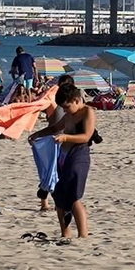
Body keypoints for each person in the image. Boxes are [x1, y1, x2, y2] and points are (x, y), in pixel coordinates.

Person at [30, 84, 95, 238]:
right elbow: (54, 128)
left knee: (74, 197)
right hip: (63, 157)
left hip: (78, 155)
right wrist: (37, 134)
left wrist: (66, 137)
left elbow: (86, 136)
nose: (64, 111)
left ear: (76, 100)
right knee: (59, 195)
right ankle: (65, 233)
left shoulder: (88, 112)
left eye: (67, 107)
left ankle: (83, 234)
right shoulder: (68, 115)